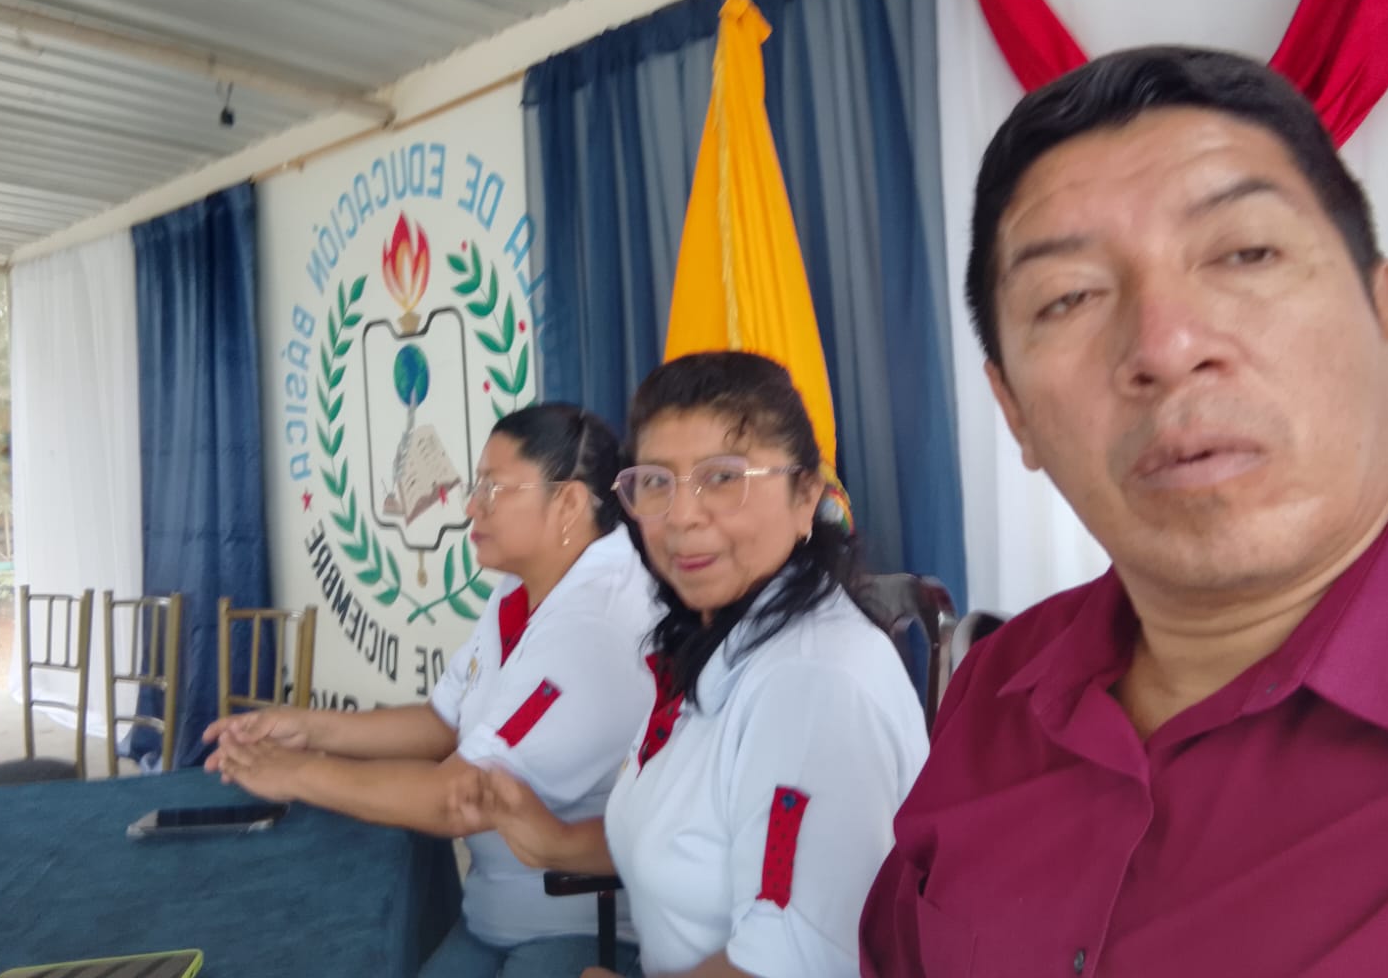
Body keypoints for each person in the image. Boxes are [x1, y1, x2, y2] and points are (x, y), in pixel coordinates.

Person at [860, 46, 1388, 977]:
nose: (1165, 345)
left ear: (1384, 314)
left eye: (1245, 252)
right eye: (1069, 297)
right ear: (1014, 411)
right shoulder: (997, 688)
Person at [460, 351, 929, 978]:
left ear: (805, 497)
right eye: (656, 481)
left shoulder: (812, 684)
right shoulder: (712, 640)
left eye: (723, 477)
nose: (681, 515)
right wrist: (556, 842)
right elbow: (697, 834)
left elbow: (792, 963)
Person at [204, 403, 658, 978]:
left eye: (493, 489)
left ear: (567, 503)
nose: (470, 507)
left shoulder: (596, 619)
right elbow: (443, 722)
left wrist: (296, 773)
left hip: (581, 932)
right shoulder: (523, 589)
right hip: (497, 914)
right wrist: (307, 727)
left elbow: (455, 799)